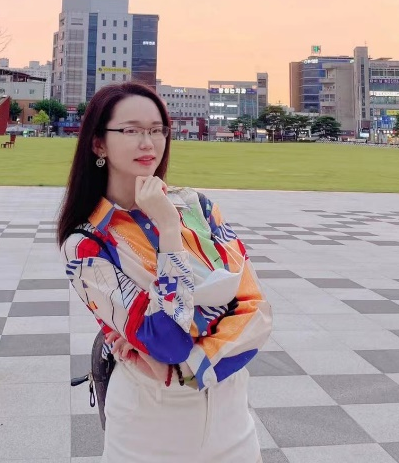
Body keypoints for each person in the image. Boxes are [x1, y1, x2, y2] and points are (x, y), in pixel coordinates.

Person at [58, 81, 272, 463]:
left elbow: (255, 310)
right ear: (98, 144)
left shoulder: (198, 207)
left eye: (157, 130)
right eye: (131, 130)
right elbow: (168, 340)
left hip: (231, 417)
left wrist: (185, 368)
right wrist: (169, 231)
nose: (148, 143)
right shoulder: (87, 244)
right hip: (149, 424)